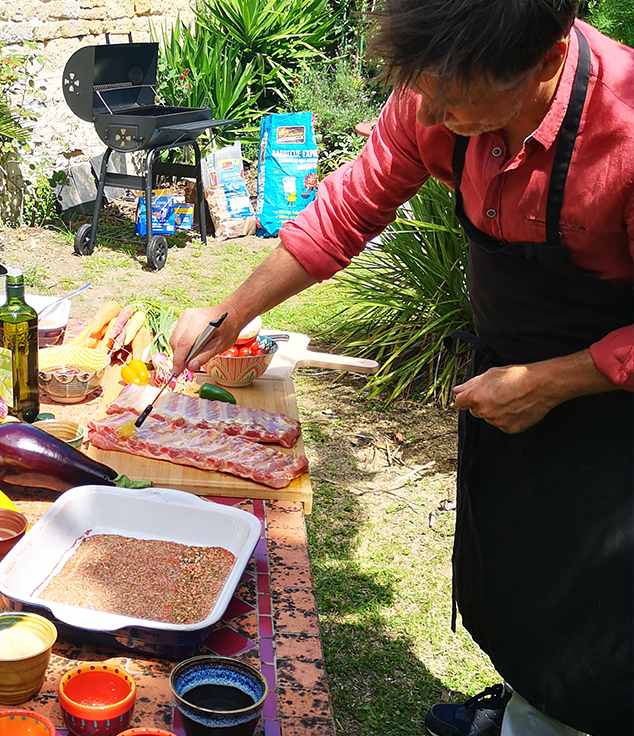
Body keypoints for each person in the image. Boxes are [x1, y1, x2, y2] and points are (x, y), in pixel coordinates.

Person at [170, 2, 633, 734]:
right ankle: (522, 705)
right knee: (521, 573)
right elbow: (345, 211)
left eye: (457, 102)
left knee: (604, 616)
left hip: (616, 407)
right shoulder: (436, 92)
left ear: (545, 62)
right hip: (511, 384)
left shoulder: (627, 132)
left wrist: (556, 380)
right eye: (424, 93)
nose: (434, 116)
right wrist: (233, 315)